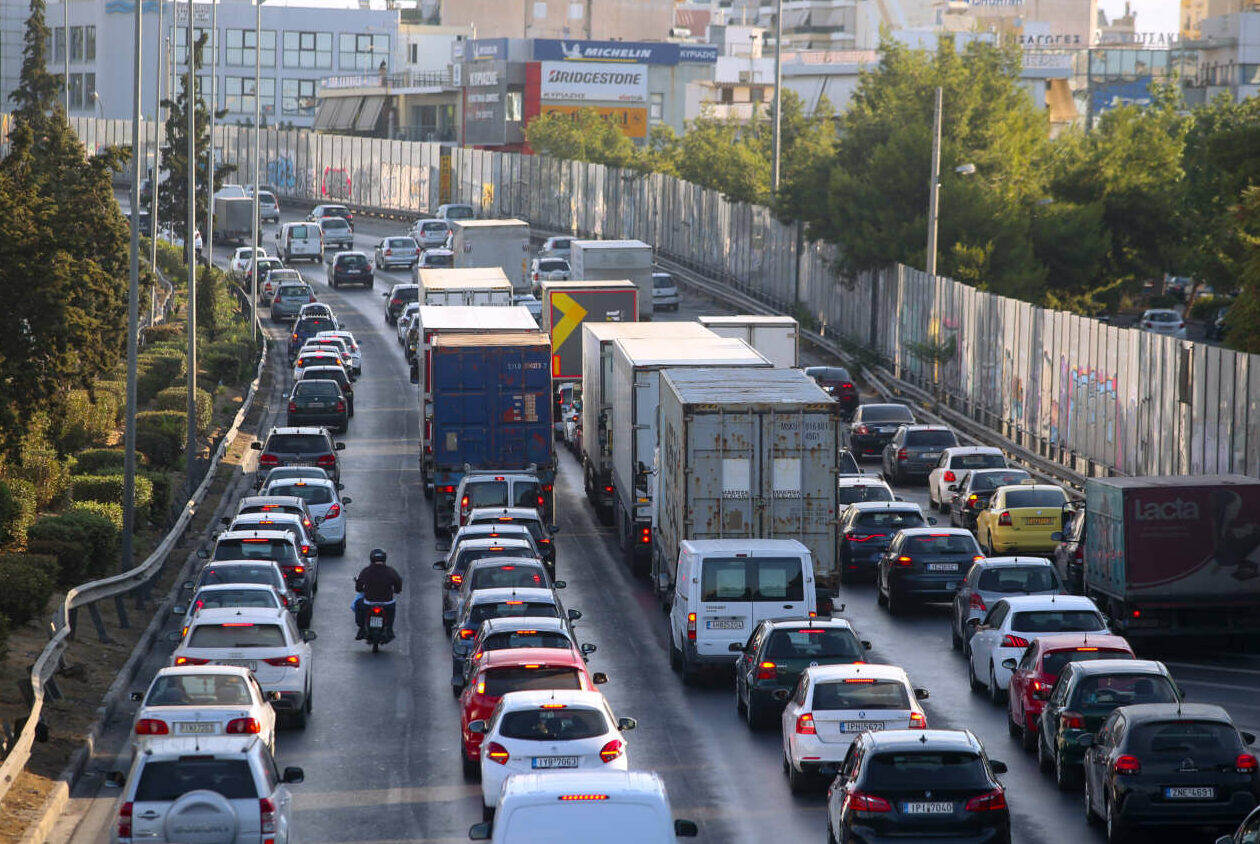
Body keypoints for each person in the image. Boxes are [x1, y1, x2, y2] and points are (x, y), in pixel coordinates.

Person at [354, 548, 402, 640]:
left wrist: (360, 588)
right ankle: (390, 629)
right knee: (391, 610)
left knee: (358, 604)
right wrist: (397, 590)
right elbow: (398, 583)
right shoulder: (390, 571)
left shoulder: (366, 571)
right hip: (387, 603)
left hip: (369, 603)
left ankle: (362, 628)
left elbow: (359, 586)